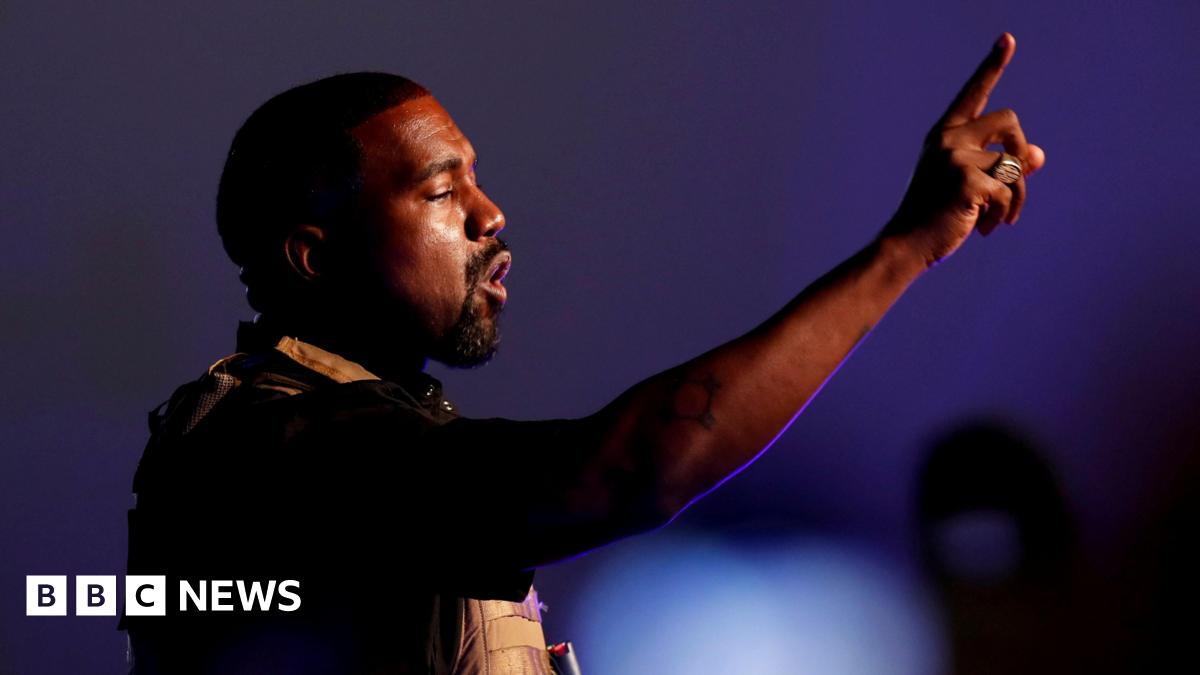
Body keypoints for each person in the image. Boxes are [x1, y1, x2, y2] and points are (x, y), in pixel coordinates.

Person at [121, 32, 1045, 675]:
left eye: (477, 181)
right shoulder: (273, 451)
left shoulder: (374, 438)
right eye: (443, 192)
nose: (491, 215)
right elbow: (638, 464)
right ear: (314, 257)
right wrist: (904, 248)